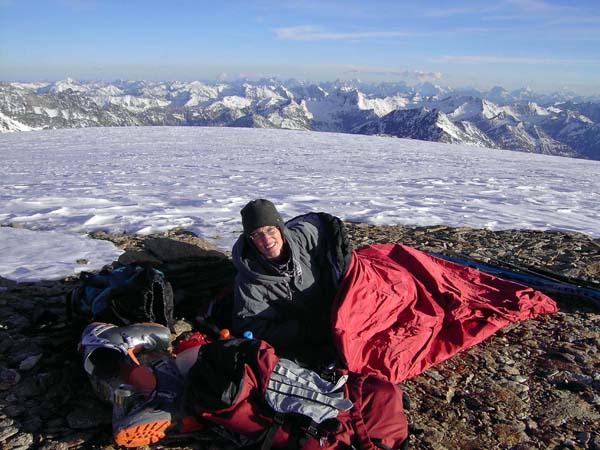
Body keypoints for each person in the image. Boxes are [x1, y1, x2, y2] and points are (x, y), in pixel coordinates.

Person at [231, 199, 351, 359]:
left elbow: (326, 230)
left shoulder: (301, 238)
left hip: (340, 312)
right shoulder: (249, 281)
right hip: (307, 334)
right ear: (250, 240)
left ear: (280, 229)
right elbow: (253, 326)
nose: (267, 240)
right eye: (257, 235)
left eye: (270, 230)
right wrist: (306, 331)